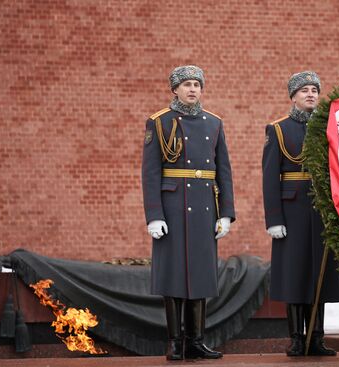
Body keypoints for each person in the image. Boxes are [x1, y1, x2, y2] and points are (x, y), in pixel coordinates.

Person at [141, 65, 235, 360]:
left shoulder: (214, 123)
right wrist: (154, 215)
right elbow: (150, 172)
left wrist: (226, 213)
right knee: (173, 275)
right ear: (175, 90)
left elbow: (224, 172)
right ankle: (174, 341)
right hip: (173, 208)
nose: (193, 89)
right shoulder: (159, 122)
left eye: (197, 84)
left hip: (205, 207)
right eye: (187, 84)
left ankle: (195, 340)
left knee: (201, 275)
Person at [262, 71, 339, 357]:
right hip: (292, 212)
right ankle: (297, 338)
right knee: (295, 275)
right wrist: (273, 219)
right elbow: (270, 177)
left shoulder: (328, 130)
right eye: (304, 90)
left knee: (318, 275)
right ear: (293, 96)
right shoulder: (278, 129)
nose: (311, 94)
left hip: (321, 211)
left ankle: (317, 338)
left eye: (314, 90)